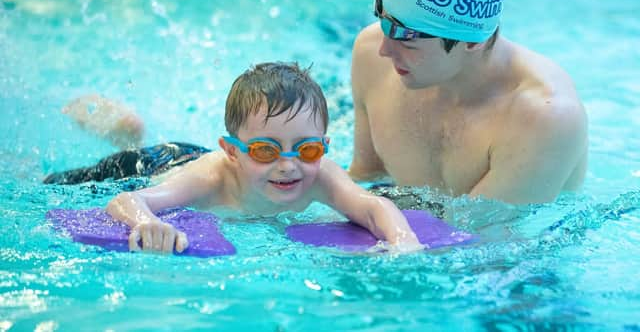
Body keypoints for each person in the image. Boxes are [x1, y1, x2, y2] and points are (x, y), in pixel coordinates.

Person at [46, 62, 420, 253]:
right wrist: (145, 223)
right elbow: (127, 200)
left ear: (323, 145)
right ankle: (124, 131)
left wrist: (403, 241)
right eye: (265, 151)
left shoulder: (319, 174)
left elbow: (372, 206)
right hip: (159, 163)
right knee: (48, 184)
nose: (288, 165)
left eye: (306, 149)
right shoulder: (212, 177)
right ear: (232, 152)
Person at [348, 0, 588, 204]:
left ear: (473, 41)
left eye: (404, 37)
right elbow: (366, 177)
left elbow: (481, 239)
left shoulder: (544, 116)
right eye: (383, 20)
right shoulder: (370, 54)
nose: (384, 49)